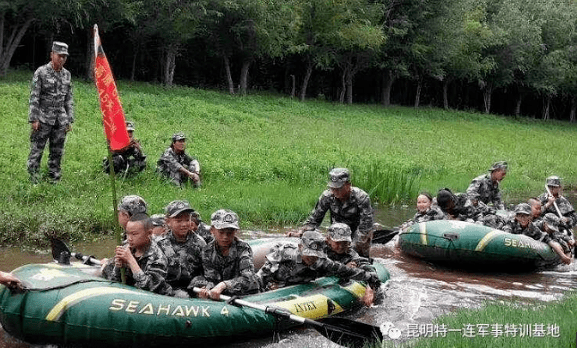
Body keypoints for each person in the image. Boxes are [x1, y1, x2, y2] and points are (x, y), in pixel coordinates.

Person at [257, 231, 380, 307]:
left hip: (295, 290)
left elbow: (348, 271)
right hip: (272, 288)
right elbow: (262, 274)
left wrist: (371, 279)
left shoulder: (322, 262)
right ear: (300, 248)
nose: (311, 258)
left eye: (315, 255)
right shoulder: (285, 253)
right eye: (308, 253)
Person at [289, 168, 374, 257]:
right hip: (337, 233)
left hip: (357, 233)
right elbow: (314, 220)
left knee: (358, 256)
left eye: (338, 188)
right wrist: (301, 232)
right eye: (332, 188)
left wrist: (351, 248)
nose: (335, 191)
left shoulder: (361, 198)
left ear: (348, 185)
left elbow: (365, 228)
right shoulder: (327, 196)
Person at [27, 41, 74, 184]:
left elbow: (69, 98)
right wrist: (34, 118)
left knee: (57, 151)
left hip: (60, 120)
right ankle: (33, 178)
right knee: (37, 150)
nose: (62, 59)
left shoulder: (67, 74)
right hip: (43, 118)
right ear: (52, 55)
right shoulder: (41, 72)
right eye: (59, 56)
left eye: (64, 57)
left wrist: (69, 119)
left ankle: (54, 178)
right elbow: (34, 96)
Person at [190, 209, 258, 299]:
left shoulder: (243, 248)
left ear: (235, 232)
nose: (225, 237)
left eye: (230, 233)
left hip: (243, 294)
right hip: (220, 295)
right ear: (212, 230)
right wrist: (206, 289)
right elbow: (211, 277)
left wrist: (224, 285)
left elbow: (248, 279)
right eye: (221, 232)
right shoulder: (207, 251)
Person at [102, 213, 172, 295]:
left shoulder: (158, 257)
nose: (129, 238)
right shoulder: (127, 248)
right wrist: (119, 267)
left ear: (149, 233)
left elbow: (149, 287)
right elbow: (114, 281)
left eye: (134, 234)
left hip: (156, 299)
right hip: (130, 294)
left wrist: (131, 261)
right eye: (127, 234)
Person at [156, 200, 206, 297]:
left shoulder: (200, 243)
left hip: (193, 289)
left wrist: (202, 286)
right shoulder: (159, 243)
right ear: (168, 222)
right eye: (178, 221)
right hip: (167, 290)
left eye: (187, 220)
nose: (184, 224)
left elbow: (206, 271)